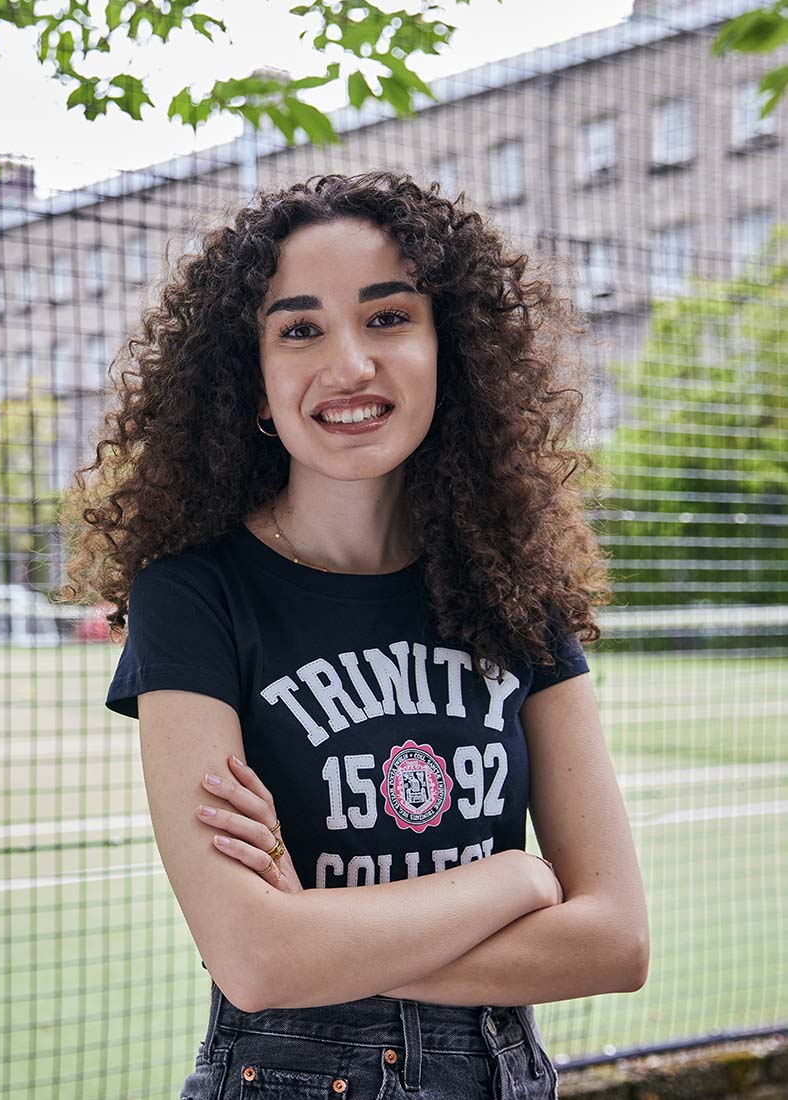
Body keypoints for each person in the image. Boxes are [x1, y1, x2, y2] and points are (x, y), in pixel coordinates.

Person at [58, 171, 649, 1099]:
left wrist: (321, 940)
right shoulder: (193, 596)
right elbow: (254, 960)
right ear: (253, 385)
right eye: (300, 329)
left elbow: (615, 941)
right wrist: (512, 881)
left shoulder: (515, 594)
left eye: (387, 318)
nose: (349, 365)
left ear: (447, 353)